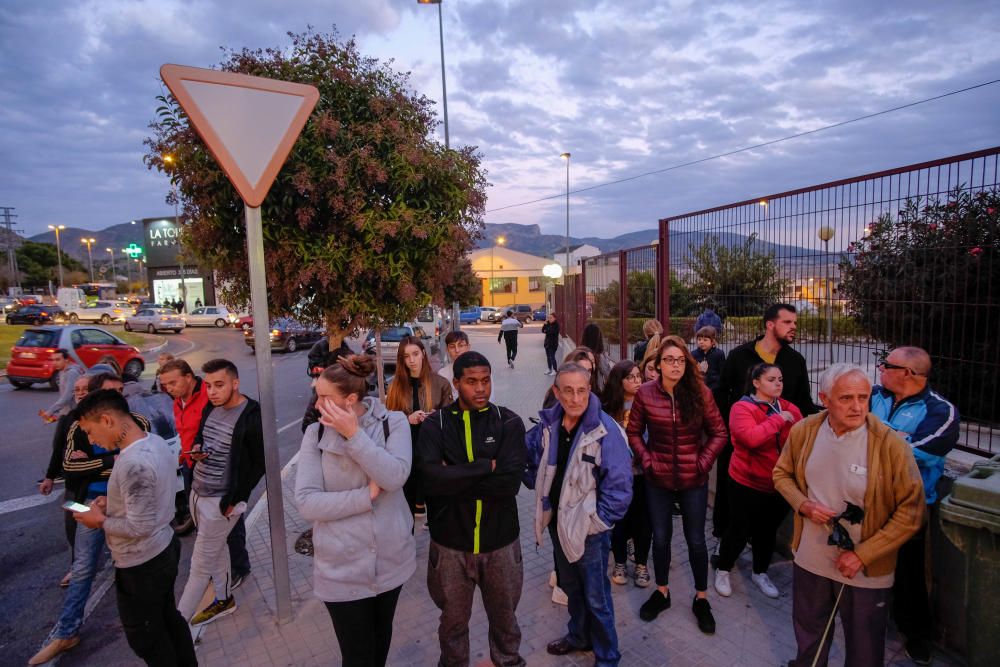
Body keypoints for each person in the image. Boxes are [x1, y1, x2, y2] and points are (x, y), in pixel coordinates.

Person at [773, 363, 924, 667]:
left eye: (863, 397)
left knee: (865, 649)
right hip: (811, 559)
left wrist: (863, 554)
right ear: (824, 398)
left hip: (864, 570)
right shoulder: (805, 431)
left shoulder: (890, 445)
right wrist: (804, 504)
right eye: (846, 398)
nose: (858, 407)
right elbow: (781, 474)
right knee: (809, 636)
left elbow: (911, 512)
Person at [295, 355, 415, 667]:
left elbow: (394, 476)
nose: (316, 402)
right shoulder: (315, 434)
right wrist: (366, 495)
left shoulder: (394, 423)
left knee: (379, 643)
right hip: (341, 568)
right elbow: (307, 503)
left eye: (324, 397)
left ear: (350, 400)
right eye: (316, 394)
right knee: (357, 655)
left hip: (389, 560)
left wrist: (354, 435)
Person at [29, 374, 151, 665]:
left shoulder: (138, 423)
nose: (120, 398)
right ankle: (66, 632)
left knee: (135, 563)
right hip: (86, 502)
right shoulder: (78, 426)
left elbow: (138, 463)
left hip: (123, 502)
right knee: (83, 567)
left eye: (121, 391)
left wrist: (92, 465)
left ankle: (144, 623)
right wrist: (110, 461)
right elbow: (70, 467)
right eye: (112, 393)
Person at [415, 351, 527, 667]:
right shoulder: (435, 426)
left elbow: (508, 485)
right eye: (472, 382)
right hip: (450, 547)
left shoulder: (509, 423)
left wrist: (453, 476)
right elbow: (430, 481)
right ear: (457, 383)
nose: (480, 389)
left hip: (501, 545)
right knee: (452, 627)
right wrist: (483, 467)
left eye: (486, 381)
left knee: (506, 626)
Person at [71, 389, 197, 666]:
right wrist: (112, 502)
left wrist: (99, 521)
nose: (92, 440)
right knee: (169, 619)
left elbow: (139, 526)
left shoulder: (132, 463)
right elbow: (147, 499)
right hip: (164, 546)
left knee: (149, 638)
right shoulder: (153, 441)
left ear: (107, 420)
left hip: (142, 562)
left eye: (90, 432)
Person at [529, 362, 632, 666]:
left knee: (597, 598)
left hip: (588, 530)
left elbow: (620, 487)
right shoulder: (549, 425)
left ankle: (608, 656)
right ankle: (578, 636)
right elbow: (531, 457)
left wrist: (596, 523)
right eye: (569, 391)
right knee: (571, 588)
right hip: (557, 523)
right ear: (556, 392)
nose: (576, 398)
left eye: (582, 390)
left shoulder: (606, 430)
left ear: (590, 390)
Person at [626, 336, 728, 632]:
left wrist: (702, 462)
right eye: (669, 360)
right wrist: (647, 460)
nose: (675, 365)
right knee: (660, 538)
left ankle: (701, 597)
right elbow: (634, 433)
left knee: (696, 539)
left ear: (688, 364)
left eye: (680, 360)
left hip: (693, 479)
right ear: (657, 366)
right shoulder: (645, 394)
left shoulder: (701, 393)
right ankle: (662, 591)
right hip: (657, 479)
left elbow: (720, 433)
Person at [870, 347, 958, 665]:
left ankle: (916, 635)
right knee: (866, 559)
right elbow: (850, 428)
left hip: (910, 504)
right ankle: (867, 618)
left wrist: (876, 435)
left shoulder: (940, 411)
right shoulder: (872, 395)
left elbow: (924, 450)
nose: (880, 367)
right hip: (868, 496)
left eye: (886, 364)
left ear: (908, 374)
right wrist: (896, 437)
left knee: (911, 574)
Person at [714, 303, 819, 542]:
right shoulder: (739, 356)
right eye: (787, 322)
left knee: (771, 501)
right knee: (728, 494)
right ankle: (722, 540)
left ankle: (760, 552)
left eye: (794, 322)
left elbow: (804, 402)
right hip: (739, 443)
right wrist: (728, 426)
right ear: (770, 325)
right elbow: (720, 392)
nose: (794, 327)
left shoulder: (795, 361)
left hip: (778, 449)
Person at [177, 359, 265, 626]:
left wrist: (236, 498)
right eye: (208, 385)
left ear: (235, 383)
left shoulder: (250, 415)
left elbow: (259, 463)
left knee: (200, 565)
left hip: (221, 502)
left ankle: (178, 625)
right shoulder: (209, 407)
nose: (212, 391)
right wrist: (199, 447)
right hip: (197, 492)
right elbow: (202, 436)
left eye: (219, 385)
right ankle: (224, 599)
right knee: (216, 551)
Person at [713, 363, 803, 600]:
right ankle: (723, 568)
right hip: (745, 481)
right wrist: (779, 420)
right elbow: (750, 438)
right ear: (756, 382)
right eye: (771, 379)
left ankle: (760, 572)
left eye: (780, 379)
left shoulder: (789, 407)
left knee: (767, 532)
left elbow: (801, 438)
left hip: (777, 485)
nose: (778, 384)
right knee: (738, 530)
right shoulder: (742, 408)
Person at [385, 335, 452, 521]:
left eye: (415, 354)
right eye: (406, 356)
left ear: (423, 353)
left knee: (437, 506)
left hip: (433, 453)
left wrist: (434, 418)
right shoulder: (395, 386)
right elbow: (387, 422)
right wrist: (407, 419)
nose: (412, 360)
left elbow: (451, 420)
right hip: (405, 452)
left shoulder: (440, 384)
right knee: (406, 508)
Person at [602, 360, 652, 589]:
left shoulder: (649, 402)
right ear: (619, 381)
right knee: (619, 521)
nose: (637, 381)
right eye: (631, 377)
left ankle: (641, 563)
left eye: (639, 377)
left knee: (643, 521)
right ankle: (620, 562)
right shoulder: (608, 408)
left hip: (643, 473)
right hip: (617, 475)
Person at [39, 374, 92, 586]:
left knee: (101, 530)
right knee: (73, 528)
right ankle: (76, 567)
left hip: (96, 488)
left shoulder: (103, 419)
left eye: (85, 389)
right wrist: (49, 477)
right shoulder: (66, 420)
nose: (79, 393)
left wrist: (92, 458)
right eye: (76, 389)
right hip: (73, 487)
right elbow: (57, 450)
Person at [158, 359, 209, 534]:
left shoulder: (209, 395)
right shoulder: (177, 401)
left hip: (209, 467)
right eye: (165, 385)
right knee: (196, 509)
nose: (169, 389)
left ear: (188, 377)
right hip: (188, 463)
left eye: (173, 383)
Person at [41, 349, 83, 421]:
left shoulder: (71, 373)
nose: (54, 363)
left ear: (66, 360)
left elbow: (67, 396)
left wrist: (50, 411)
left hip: (73, 415)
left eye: (57, 360)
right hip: (66, 414)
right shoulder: (62, 372)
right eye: (53, 360)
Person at [691, 326, 725, 402]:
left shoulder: (719, 354)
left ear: (712, 341)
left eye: (705, 340)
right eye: (699, 339)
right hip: (698, 388)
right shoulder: (694, 354)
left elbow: (722, 372)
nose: (701, 342)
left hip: (715, 389)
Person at [581, 323, 612, 393]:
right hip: (596, 390)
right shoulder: (599, 356)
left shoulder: (580, 353)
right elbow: (608, 373)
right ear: (598, 338)